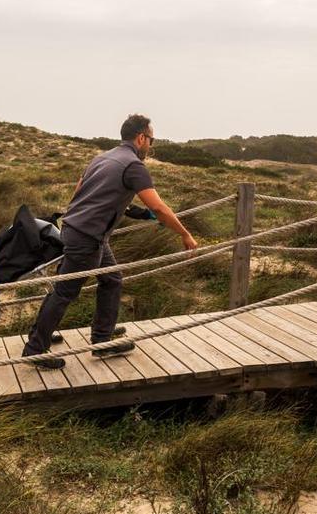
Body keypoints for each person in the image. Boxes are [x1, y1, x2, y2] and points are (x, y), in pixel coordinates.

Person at [22, 114, 198, 369]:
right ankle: (36, 348)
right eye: (151, 139)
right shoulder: (134, 166)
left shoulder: (102, 158)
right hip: (88, 238)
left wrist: (140, 214)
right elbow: (159, 207)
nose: (151, 145)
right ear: (141, 138)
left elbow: (82, 193)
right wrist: (184, 234)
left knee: (112, 280)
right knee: (64, 292)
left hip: (78, 230)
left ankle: (101, 338)